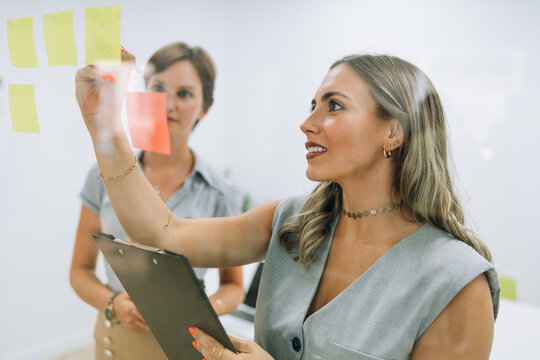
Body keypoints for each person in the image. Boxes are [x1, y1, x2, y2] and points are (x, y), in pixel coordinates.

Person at [74, 50, 500, 360]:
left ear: (394, 132)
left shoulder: (457, 286)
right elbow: (163, 233)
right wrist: (105, 126)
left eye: (333, 106)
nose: (307, 122)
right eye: (311, 105)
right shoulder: (288, 221)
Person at [70, 42, 245, 360]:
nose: (168, 104)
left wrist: (201, 315)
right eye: (159, 88)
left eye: (185, 94)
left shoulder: (221, 193)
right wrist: (114, 303)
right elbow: (79, 271)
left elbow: (234, 286)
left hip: (184, 343)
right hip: (115, 337)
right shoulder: (102, 175)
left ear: (204, 108)